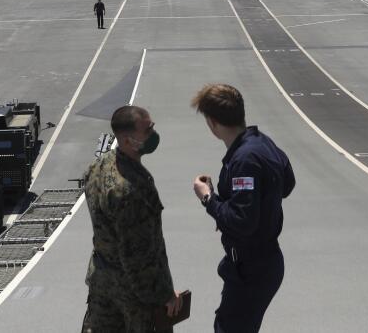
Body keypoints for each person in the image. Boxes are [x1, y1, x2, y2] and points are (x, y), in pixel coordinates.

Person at [191, 84, 295, 333]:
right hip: (263, 261)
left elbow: (242, 221)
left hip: (251, 269)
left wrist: (208, 199)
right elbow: (287, 184)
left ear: (212, 123)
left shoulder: (244, 159)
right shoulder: (262, 142)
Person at [83, 105, 184, 332]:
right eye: (147, 130)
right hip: (134, 295)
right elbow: (137, 255)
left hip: (102, 283)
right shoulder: (129, 190)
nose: (153, 134)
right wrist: (164, 295)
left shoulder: (98, 167)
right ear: (128, 141)